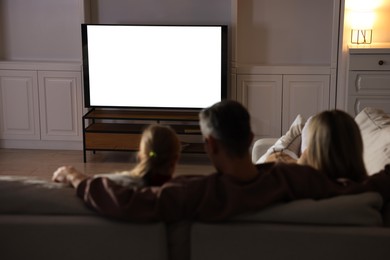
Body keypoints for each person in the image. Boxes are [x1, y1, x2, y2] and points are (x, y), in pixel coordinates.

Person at [53, 100, 390, 222]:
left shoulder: (193, 192)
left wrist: (76, 178)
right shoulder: (309, 184)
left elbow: (129, 203)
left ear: (209, 145)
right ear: (249, 140)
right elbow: (376, 181)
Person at [52, 124, 181, 188]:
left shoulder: (114, 188)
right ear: (175, 158)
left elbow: (90, 187)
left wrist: (71, 174)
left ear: (141, 155)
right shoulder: (183, 193)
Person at [262, 110, 367, 183]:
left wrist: (301, 162)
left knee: (278, 152)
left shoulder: (294, 185)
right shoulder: (370, 189)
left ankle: (298, 128)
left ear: (311, 150)